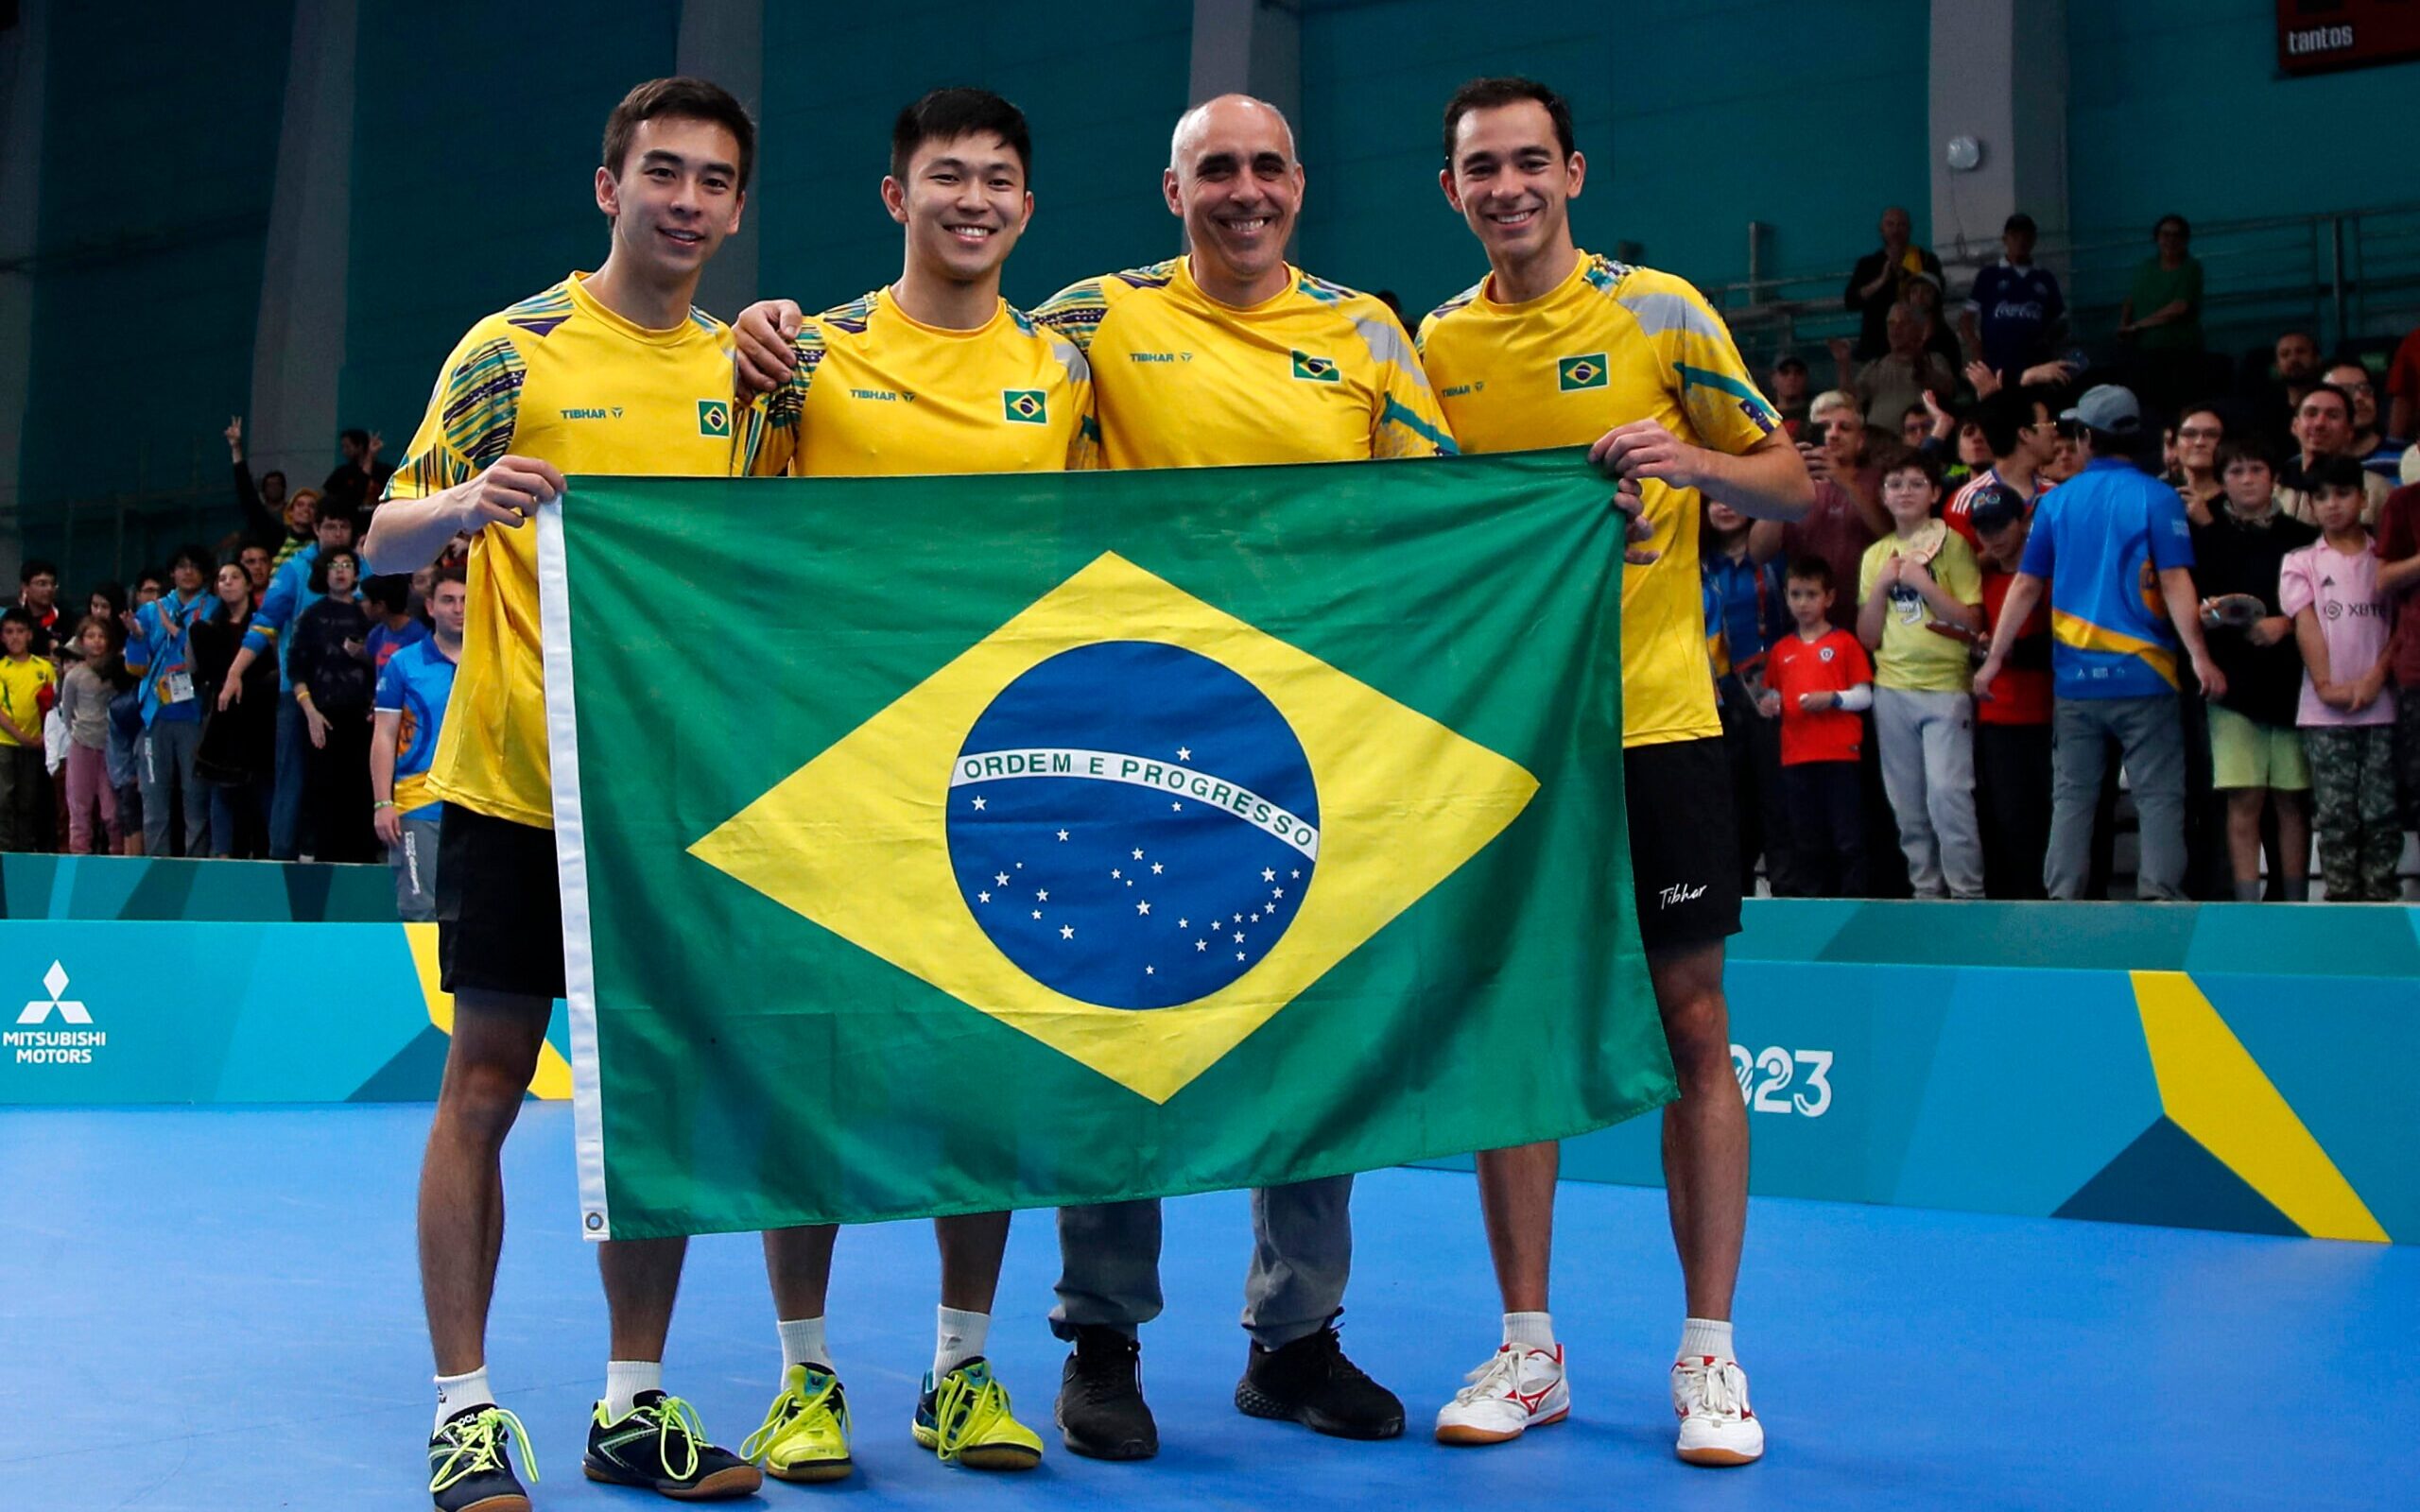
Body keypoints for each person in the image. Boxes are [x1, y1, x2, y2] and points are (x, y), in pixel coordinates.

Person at [1009, 91, 1452, 1460]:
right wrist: (796, 335)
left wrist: (1572, 517)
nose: (1243, 190)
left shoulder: (1368, 334)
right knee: (1119, 1043)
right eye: (1216, 170)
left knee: (1309, 1046)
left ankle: (1295, 1342)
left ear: (1300, 185)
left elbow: (1444, 512)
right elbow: (963, 369)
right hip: (1131, 734)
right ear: (1172, 189)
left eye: (1265, 167)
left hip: (1312, 746)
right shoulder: (1090, 318)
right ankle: (1101, 1344)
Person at [361, 76, 764, 1510]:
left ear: (735, 206)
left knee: (650, 1099)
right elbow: (377, 536)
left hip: (669, 802)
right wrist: (463, 509)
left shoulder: (744, 372)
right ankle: (463, 1412)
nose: (687, 200)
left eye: (715, 180)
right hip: (518, 786)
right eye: (663, 172)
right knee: (483, 1085)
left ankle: (631, 1405)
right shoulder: (510, 348)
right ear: (611, 188)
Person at [1415, 76, 1810, 1465]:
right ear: (1450, 188)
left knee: (1693, 1020)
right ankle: (1530, 1352)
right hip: (1512, 744)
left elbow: (1794, 484)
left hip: (1658, 724)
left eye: (1531, 161)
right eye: (1481, 168)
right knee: (1515, 1036)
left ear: (1572, 172)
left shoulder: (1663, 310)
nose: (1508, 186)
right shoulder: (1436, 343)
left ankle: (1711, 1356)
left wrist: (1687, 464)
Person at [728, 86, 1101, 1479]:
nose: (974, 200)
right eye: (947, 176)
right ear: (898, 198)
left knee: (986, 1079)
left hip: (1006, 772)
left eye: (1000, 178)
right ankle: (804, 1374)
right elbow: (722, 520)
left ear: (1026, 204)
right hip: (833, 767)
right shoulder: (808, 356)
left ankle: (959, 1366)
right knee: (815, 1066)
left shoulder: (1065, 372)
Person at [1977, 386, 2226, 899]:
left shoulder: (2055, 503)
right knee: (2159, 795)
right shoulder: (2157, 497)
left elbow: (2024, 586)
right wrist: (2200, 657)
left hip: (2076, 682)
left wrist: (1993, 659)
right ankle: (2159, 895)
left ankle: (2062, 897)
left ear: (2087, 437)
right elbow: (2177, 581)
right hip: (2147, 676)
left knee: (2073, 796)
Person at [1857, 447, 1985, 899]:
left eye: (1915, 483)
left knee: (1949, 796)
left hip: (1946, 688)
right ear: (1883, 497)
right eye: (1895, 485)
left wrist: (1923, 583)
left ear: (1934, 492)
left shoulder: (1954, 545)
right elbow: (1868, 637)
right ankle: (1926, 893)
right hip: (1892, 690)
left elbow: (1973, 623)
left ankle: (1968, 895)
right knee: (1907, 806)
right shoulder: (1875, 556)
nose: (1905, 492)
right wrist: (1883, 587)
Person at [2192, 438, 2316, 901]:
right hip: (2233, 689)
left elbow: (2319, 607)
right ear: (2222, 482)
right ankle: (2247, 908)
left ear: (2273, 477)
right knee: (2244, 800)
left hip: (2291, 688)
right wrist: (2215, 616)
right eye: (2237, 471)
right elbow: (2193, 608)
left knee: (2291, 801)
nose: (2247, 479)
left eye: (2256, 469)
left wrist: (2286, 624)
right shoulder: (2206, 541)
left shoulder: (2302, 538)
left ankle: (2294, 903)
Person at [2281, 457, 2399, 900]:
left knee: (2381, 812)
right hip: (2323, 713)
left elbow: (2398, 627)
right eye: (2322, 497)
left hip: (2381, 708)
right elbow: (2306, 622)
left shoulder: (2383, 560)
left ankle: (2383, 901)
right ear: (2310, 506)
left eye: (2343, 494)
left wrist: (2374, 679)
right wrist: (2326, 683)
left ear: (2364, 498)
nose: (2332, 505)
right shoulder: (2301, 561)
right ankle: (2342, 903)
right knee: (2335, 815)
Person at [219, 508, 357, 859]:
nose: (337, 532)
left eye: (343, 525)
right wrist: (235, 672)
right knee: (292, 779)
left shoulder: (363, 568)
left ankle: (348, 860)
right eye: (330, 525)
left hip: (350, 700)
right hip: (296, 694)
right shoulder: (295, 570)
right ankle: (281, 860)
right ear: (316, 528)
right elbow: (266, 623)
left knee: (346, 784)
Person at [1758, 557, 1872, 896]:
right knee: (1807, 839)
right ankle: (1815, 908)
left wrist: (1833, 699)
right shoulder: (1781, 651)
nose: (1803, 603)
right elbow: (1772, 696)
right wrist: (1769, 705)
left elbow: (1864, 696)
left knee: (1848, 837)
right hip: (1796, 757)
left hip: (1840, 755)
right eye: (1796, 594)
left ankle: (1854, 904)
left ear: (1830, 598)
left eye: (1811, 594)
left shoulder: (1844, 643)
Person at [1701, 501, 1795, 896]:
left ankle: (1787, 892)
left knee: (1777, 800)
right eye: (1716, 498)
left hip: (1770, 694)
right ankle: (1734, 896)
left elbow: (1775, 504)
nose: (1725, 506)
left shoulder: (1772, 561)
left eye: (1736, 498)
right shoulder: (1696, 565)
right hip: (1716, 697)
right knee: (1730, 805)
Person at [1964, 484, 2055, 898]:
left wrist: (2006, 651)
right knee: (2009, 823)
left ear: (2023, 523)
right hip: (1997, 716)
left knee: (2051, 821)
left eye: (2001, 525)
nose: (1992, 537)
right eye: (1983, 529)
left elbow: (2060, 642)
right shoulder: (1979, 581)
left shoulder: (2047, 577)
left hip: (2046, 715)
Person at [372, 569, 464, 923]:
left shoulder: (495, 661)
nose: (458, 609)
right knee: (420, 911)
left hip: (480, 805)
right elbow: (383, 735)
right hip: (419, 804)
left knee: (475, 914)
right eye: (448, 600)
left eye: (466, 601)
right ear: (430, 606)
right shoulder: (403, 663)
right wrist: (383, 802)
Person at [1749, 390, 1883, 630]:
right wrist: (1788, 483)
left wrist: (1845, 483)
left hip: (1867, 623)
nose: (1833, 434)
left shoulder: (1877, 481)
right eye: (1824, 428)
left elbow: (1891, 533)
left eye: (1844, 428)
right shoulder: (1792, 486)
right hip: (1806, 627)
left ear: (1860, 440)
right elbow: (1759, 552)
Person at [122, 544, 220, 856]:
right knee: (154, 802)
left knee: (196, 801)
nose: (187, 572)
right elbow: (136, 668)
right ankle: (157, 869)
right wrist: (137, 639)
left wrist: (176, 631)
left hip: (194, 715)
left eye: (194, 566)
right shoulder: (151, 610)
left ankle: (196, 870)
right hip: (156, 715)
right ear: (172, 573)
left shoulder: (214, 608)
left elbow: (211, 661)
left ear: (204, 573)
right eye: (181, 566)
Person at [288, 549, 377, 864]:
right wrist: (310, 712)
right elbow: (296, 669)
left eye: (347, 565)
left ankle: (363, 866)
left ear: (356, 574)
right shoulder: (312, 616)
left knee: (362, 793)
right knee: (324, 794)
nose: (340, 571)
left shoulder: (368, 613)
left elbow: (382, 665)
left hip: (363, 717)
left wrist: (363, 655)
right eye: (334, 566)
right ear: (323, 573)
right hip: (322, 715)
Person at [192, 561, 276, 859]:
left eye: (235, 577)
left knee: (264, 791)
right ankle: (224, 854)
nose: (227, 583)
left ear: (249, 585)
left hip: (261, 716)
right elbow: (212, 672)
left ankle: (269, 855)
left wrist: (246, 679)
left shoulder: (265, 627)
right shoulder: (205, 629)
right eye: (222, 578)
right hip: (225, 718)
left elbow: (271, 669)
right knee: (224, 790)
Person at [1945, 385, 2057, 548]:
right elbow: (1955, 569)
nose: (2055, 432)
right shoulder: (1964, 502)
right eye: (2048, 424)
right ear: (2024, 434)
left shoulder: (2056, 494)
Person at [1961, 213, 2066, 382]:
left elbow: (2061, 320)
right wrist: (1975, 347)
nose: (2021, 241)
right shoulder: (1989, 275)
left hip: (2035, 363)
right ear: (2005, 239)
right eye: (2015, 236)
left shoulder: (2044, 278)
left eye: (2026, 236)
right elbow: (1966, 319)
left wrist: (2047, 341)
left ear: (2033, 240)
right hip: (1996, 363)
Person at [2119, 214, 2204, 419]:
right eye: (2165, 235)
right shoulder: (2147, 267)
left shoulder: (2191, 268)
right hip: (2145, 350)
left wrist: (2139, 325)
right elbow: (2131, 299)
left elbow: (2179, 307)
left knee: (2176, 409)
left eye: (2177, 235)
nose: (2170, 240)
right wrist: (2124, 325)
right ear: (2157, 238)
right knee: (2146, 408)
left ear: (2185, 240)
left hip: (2179, 352)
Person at [55, 617, 124, 855]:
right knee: (79, 808)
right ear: (82, 641)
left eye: (101, 636)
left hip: (109, 746)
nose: (96, 642)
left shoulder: (116, 672)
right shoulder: (74, 676)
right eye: (91, 636)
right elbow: (67, 710)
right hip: (82, 746)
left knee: (111, 812)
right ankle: (78, 860)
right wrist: (78, 732)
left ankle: (117, 856)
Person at [2276, 383, 2392, 524]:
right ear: (2295, 426)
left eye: (2333, 415)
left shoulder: (2376, 490)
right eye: (2311, 413)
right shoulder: (2274, 489)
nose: (2320, 423)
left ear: (2350, 431)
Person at [1844, 206, 1943, 361]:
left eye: (1901, 224)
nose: (1896, 230)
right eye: (1890, 224)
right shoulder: (1868, 264)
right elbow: (1850, 301)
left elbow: (1936, 303)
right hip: (1875, 350)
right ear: (1881, 229)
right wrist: (1880, 281)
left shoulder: (1926, 260)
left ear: (1909, 229)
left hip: (1917, 349)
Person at [1840, 302, 1957, 432]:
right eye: (1891, 323)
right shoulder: (1876, 366)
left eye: (1903, 323)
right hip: (1880, 444)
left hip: (1919, 440)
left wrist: (1918, 358)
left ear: (1918, 328)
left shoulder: (1934, 360)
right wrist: (1843, 364)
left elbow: (1946, 389)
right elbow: (1850, 400)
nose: (1895, 329)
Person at [0, 610, 57, 850]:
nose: (15, 637)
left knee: (28, 801)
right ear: (2, 637)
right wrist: (22, 737)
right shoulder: (1, 668)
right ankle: (4, 849)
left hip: (38, 744)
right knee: (3, 799)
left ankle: (24, 851)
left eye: (20, 631)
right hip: (5, 743)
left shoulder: (44, 667)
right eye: (9, 632)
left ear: (30, 635)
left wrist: (45, 738)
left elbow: (55, 707)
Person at [226, 415, 302, 558]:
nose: (273, 488)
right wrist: (236, 448)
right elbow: (246, 491)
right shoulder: (261, 518)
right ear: (263, 489)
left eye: (277, 484)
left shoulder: (307, 540)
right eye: (269, 485)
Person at [2320, 357, 2404, 479]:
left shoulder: (2409, 457)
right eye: (2346, 390)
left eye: (2365, 389)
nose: (2359, 397)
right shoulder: (2302, 466)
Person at [319, 427, 395, 531]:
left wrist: (370, 456)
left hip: (381, 526)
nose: (344, 451)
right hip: (352, 527)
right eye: (343, 447)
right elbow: (324, 495)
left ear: (360, 446)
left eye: (347, 447)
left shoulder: (385, 471)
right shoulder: (342, 473)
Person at [2169, 405, 2227, 524]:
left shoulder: (2237, 500)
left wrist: (2207, 522)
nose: (2200, 442)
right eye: (2189, 434)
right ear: (2174, 445)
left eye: (2211, 434)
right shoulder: (2159, 490)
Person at [364, 574, 431, 672]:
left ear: (380, 606)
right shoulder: (377, 633)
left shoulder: (419, 636)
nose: (361, 604)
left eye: (365, 599)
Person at [17, 559, 67, 655]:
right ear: (25, 587)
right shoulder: (12, 618)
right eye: (42, 584)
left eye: (53, 584)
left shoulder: (67, 619)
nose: (49, 589)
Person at [1767, 352, 1811, 435]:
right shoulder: (1764, 416)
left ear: (1806, 378)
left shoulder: (1814, 414)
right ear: (1773, 379)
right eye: (1785, 372)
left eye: (1798, 372)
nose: (1792, 377)